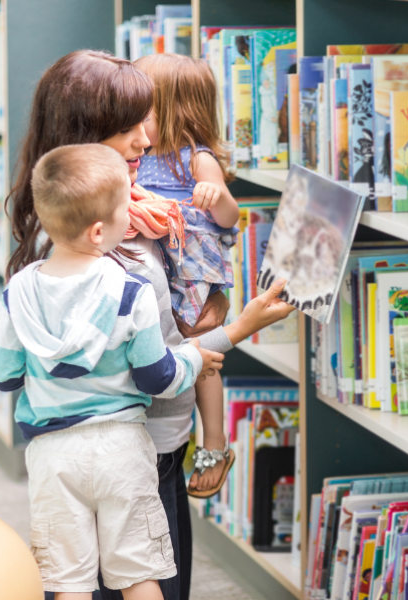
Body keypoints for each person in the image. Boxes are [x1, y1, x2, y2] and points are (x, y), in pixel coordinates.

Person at [6, 50, 295, 600]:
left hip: (115, 448)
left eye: (148, 120)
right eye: (129, 126)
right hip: (138, 450)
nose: (145, 140)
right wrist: (240, 327)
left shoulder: (84, 217)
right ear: (88, 133)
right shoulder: (112, 243)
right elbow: (156, 368)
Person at [0, 144, 225, 599]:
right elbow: (157, 379)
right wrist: (195, 358)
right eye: (126, 207)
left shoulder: (18, 291)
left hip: (52, 454)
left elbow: (4, 377)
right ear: (100, 231)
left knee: (69, 583)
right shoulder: (130, 291)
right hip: (121, 449)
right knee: (140, 576)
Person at [134, 53, 237, 496]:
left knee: (200, 356)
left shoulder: (196, 159)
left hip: (191, 270)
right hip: (161, 261)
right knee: (168, 350)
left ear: (175, 111)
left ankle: (215, 440)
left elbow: (231, 218)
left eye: (143, 109)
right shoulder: (139, 153)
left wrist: (215, 197)